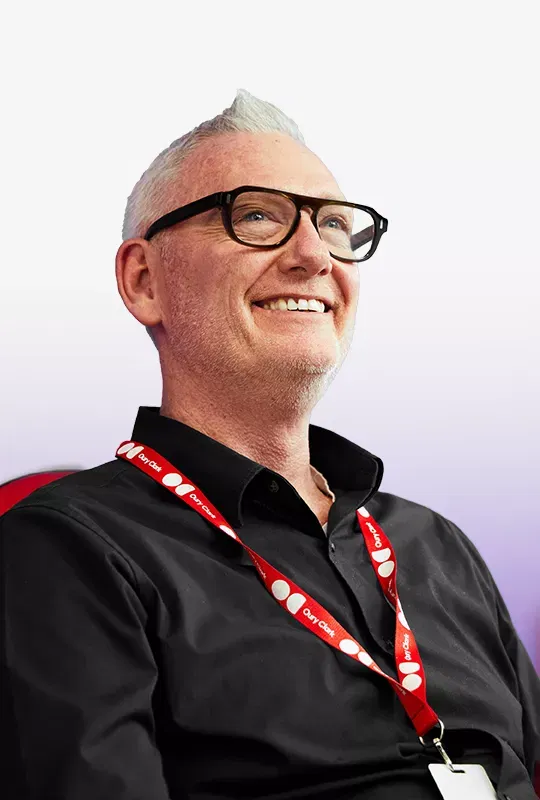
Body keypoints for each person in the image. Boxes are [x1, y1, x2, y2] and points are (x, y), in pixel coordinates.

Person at [1, 90, 538, 800]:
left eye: (335, 224)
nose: (314, 255)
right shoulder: (67, 550)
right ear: (143, 281)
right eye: (256, 216)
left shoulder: (437, 546)